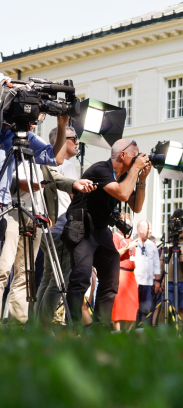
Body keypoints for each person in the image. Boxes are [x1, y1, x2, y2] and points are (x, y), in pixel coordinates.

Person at [64, 138, 151, 326]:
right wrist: (135, 169)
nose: (138, 159)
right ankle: (72, 329)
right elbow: (122, 194)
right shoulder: (100, 169)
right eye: (135, 155)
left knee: (111, 280)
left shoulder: (124, 175)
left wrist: (141, 179)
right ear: (122, 155)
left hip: (101, 230)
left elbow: (136, 206)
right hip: (82, 228)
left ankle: (101, 329)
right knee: (81, 280)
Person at [0, 113, 69, 324]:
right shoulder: (4, 136)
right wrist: (15, 183)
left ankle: (17, 325)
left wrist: (62, 124)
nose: (35, 118)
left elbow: (55, 158)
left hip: (34, 211)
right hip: (9, 209)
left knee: (26, 274)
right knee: (2, 270)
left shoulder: (29, 138)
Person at [36, 126, 95, 325]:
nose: (77, 142)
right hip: (61, 226)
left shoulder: (45, 162)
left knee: (47, 277)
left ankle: (36, 324)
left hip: (46, 228)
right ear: (60, 141)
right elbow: (74, 196)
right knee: (59, 280)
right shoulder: (67, 165)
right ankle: (43, 327)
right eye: (73, 138)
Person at [111, 214, 139, 331]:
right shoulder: (115, 236)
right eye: (125, 223)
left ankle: (127, 332)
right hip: (121, 272)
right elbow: (114, 254)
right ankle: (118, 332)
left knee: (132, 303)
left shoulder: (129, 238)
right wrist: (128, 247)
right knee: (119, 304)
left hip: (131, 274)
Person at [134, 219, 161, 326]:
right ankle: (131, 332)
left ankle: (144, 332)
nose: (151, 231)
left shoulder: (152, 245)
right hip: (135, 283)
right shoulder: (133, 243)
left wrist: (157, 280)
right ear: (141, 230)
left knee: (146, 310)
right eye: (148, 229)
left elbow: (156, 264)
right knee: (134, 309)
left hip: (148, 283)